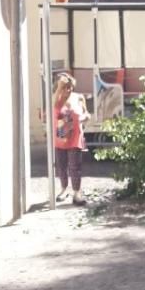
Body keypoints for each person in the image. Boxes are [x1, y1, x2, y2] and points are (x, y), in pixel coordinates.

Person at [53, 73, 89, 206]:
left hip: (75, 137)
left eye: (70, 87)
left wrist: (84, 117)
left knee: (75, 167)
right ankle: (64, 189)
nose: (68, 90)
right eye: (64, 87)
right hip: (60, 138)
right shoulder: (56, 98)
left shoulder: (79, 98)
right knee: (61, 167)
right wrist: (59, 88)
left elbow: (86, 113)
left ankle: (77, 192)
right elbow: (53, 107)